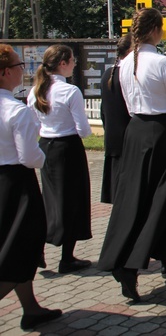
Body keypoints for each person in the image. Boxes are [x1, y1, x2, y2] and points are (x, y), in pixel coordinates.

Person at [98, 8, 166, 302]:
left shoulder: (124, 64)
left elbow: (128, 105)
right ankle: (130, 264)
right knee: (163, 200)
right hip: (162, 132)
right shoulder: (164, 63)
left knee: (136, 199)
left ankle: (164, 258)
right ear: (155, 30)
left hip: (135, 131)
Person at [0, 45, 63, 331]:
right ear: (5, 72)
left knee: (16, 248)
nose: (22, 69)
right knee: (22, 248)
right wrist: (43, 155)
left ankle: (31, 308)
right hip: (16, 185)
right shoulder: (16, 110)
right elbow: (29, 157)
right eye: (18, 64)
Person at [27, 44, 93, 273]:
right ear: (62, 63)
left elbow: (34, 125)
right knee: (72, 201)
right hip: (67, 147)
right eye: (72, 60)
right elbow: (83, 129)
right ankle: (67, 257)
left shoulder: (35, 90)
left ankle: (39, 251)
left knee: (51, 199)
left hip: (45, 145)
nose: (74, 64)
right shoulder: (69, 91)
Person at [100, 34, 132, 204]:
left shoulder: (108, 74)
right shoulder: (126, 74)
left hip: (112, 134)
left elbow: (103, 109)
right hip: (127, 134)